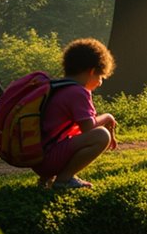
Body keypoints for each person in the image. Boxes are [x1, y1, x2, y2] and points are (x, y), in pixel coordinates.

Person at [37, 38, 117, 190]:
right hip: (49, 158)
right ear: (92, 71)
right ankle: (64, 179)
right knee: (101, 135)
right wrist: (108, 117)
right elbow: (88, 127)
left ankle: (47, 179)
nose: (100, 83)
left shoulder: (56, 86)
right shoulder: (78, 92)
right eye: (100, 78)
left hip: (38, 159)